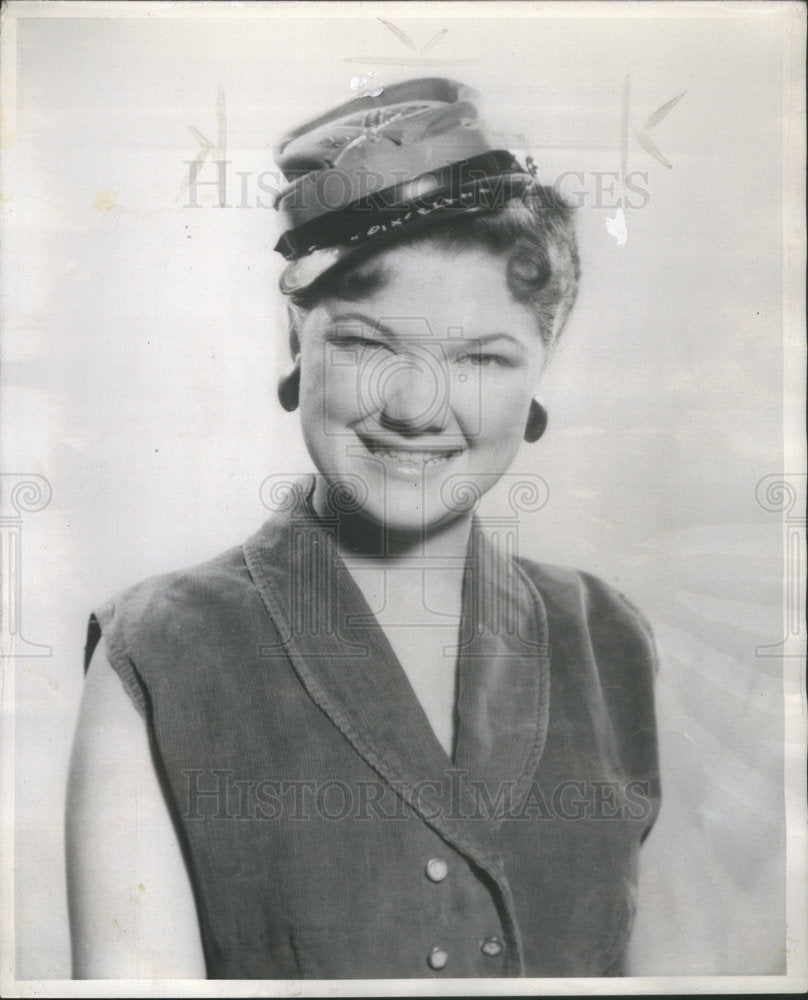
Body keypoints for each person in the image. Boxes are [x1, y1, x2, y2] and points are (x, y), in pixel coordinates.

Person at [66, 77, 660, 980]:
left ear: (538, 380)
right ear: (293, 348)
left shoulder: (610, 637)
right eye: (368, 343)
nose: (418, 406)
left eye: (482, 358)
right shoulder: (156, 654)